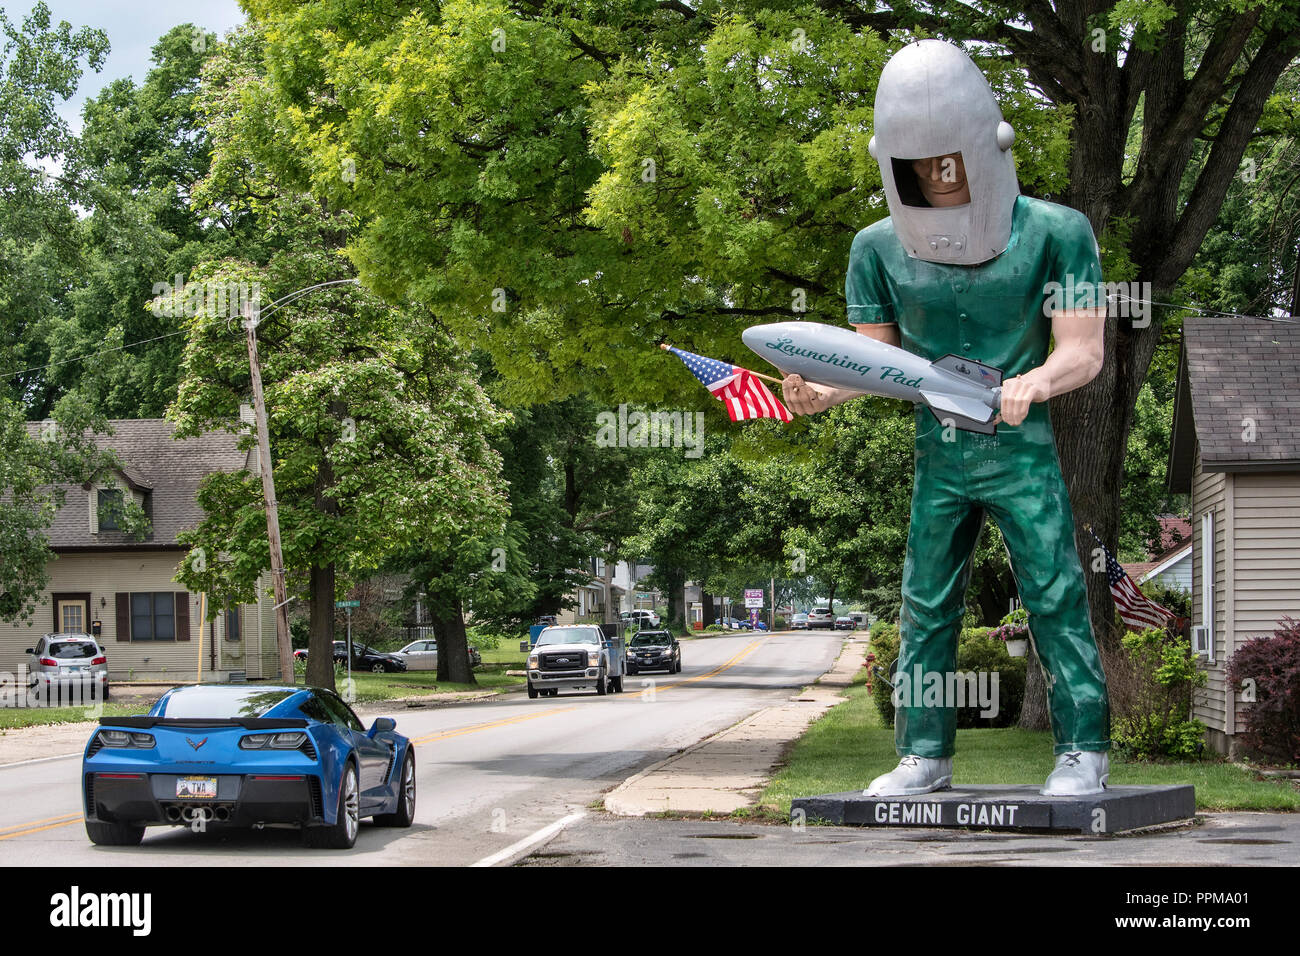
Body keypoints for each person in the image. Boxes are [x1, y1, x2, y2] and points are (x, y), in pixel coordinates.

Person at [783, 40, 1111, 797]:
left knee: (1056, 590)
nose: (936, 180)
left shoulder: (1059, 232)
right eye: (919, 168)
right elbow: (872, 364)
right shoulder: (875, 248)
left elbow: (1084, 352)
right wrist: (818, 394)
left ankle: (1084, 749)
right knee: (925, 601)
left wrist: (1034, 381)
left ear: (986, 147)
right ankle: (922, 754)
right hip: (941, 449)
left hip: (1020, 445)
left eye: (948, 164)